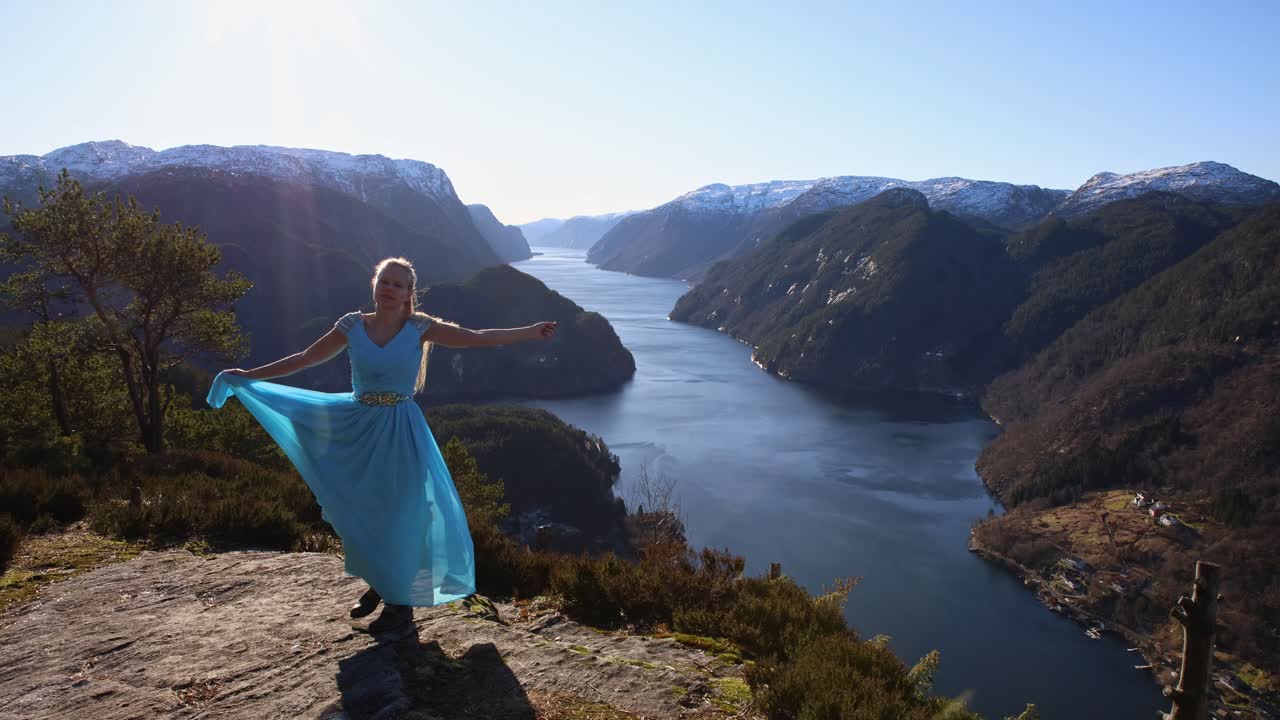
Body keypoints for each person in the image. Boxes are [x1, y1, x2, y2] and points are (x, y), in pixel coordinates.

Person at [206, 256, 557, 624]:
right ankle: (380, 583)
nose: (389, 289)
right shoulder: (351, 326)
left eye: (398, 284)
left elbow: (476, 338)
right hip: (358, 427)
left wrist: (529, 331)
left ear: (409, 294)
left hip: (402, 431)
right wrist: (249, 375)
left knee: (404, 511)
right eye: (384, 282)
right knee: (366, 508)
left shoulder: (421, 327)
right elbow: (304, 359)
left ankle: (396, 600)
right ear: (374, 285)